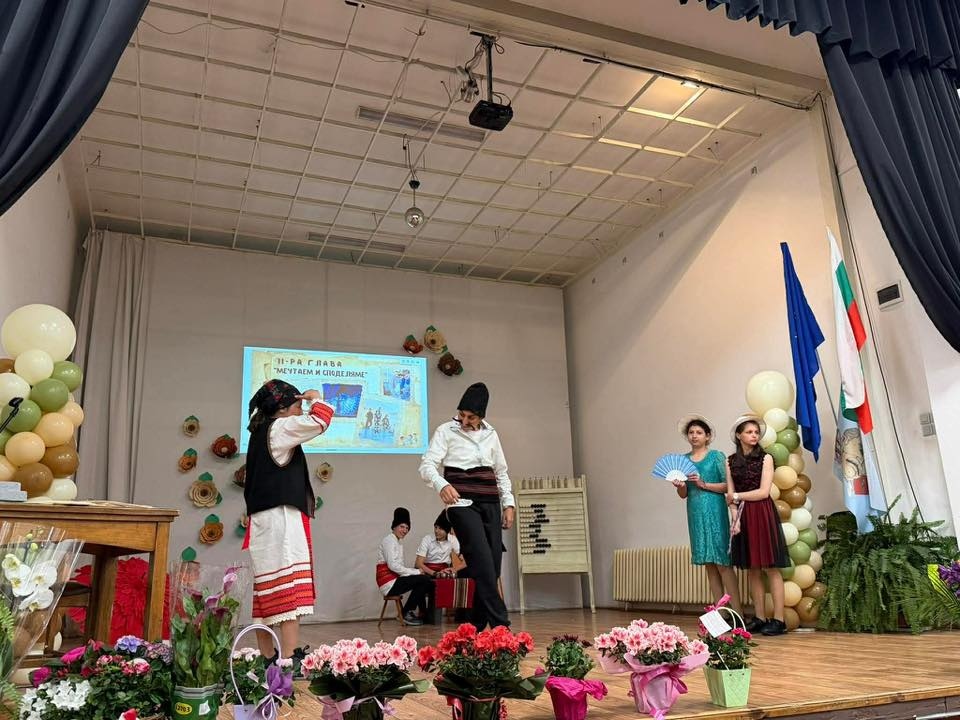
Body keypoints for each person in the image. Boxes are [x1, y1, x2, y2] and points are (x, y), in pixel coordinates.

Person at [244, 379, 334, 662]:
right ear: (282, 409)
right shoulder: (280, 427)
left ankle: (268, 656)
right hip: (279, 519)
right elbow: (321, 419)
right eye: (296, 406)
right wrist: (315, 397)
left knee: (266, 592)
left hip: (265, 519)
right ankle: (288, 657)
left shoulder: (262, 430)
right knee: (288, 589)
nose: (300, 411)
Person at [419, 382, 514, 629]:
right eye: (461, 414)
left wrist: (509, 503)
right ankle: (502, 625)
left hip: (490, 501)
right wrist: (441, 485)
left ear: (481, 416)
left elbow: (501, 472)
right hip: (460, 503)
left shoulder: (491, 434)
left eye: (471, 417)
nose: (464, 421)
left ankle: (475, 629)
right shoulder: (445, 431)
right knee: (481, 561)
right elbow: (427, 465)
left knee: (492, 567)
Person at [727, 415, 790, 636]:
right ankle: (760, 617)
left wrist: (737, 496)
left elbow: (763, 492)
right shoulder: (730, 461)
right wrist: (735, 520)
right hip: (743, 516)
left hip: (762, 513)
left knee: (771, 567)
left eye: (756, 432)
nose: (754, 435)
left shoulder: (766, 458)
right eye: (749, 432)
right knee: (752, 569)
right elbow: (730, 496)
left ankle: (779, 620)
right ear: (739, 435)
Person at [673, 415, 742, 613]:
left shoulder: (716, 456)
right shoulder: (683, 460)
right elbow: (684, 494)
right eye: (691, 432)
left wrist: (704, 484)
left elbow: (728, 486)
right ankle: (720, 614)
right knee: (709, 565)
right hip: (695, 513)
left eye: (699, 432)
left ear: (708, 436)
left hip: (715, 510)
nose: (694, 436)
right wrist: (679, 486)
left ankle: (738, 613)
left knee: (722, 563)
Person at [376, 507, 434, 626]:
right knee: (424, 580)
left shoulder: (397, 542)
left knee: (426, 580)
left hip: (394, 580)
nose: (405, 530)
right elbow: (393, 566)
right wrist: (416, 572)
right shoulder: (389, 540)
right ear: (394, 527)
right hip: (388, 583)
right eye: (402, 527)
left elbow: (399, 567)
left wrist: (415, 573)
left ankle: (415, 613)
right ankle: (406, 613)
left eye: (407, 528)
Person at [415, 511, 462, 577]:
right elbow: (418, 563)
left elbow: (465, 561)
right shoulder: (427, 539)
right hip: (427, 570)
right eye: (436, 527)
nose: (436, 531)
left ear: (447, 531)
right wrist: (435, 573)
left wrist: (454, 569)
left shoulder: (452, 539)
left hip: (444, 571)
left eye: (440, 528)